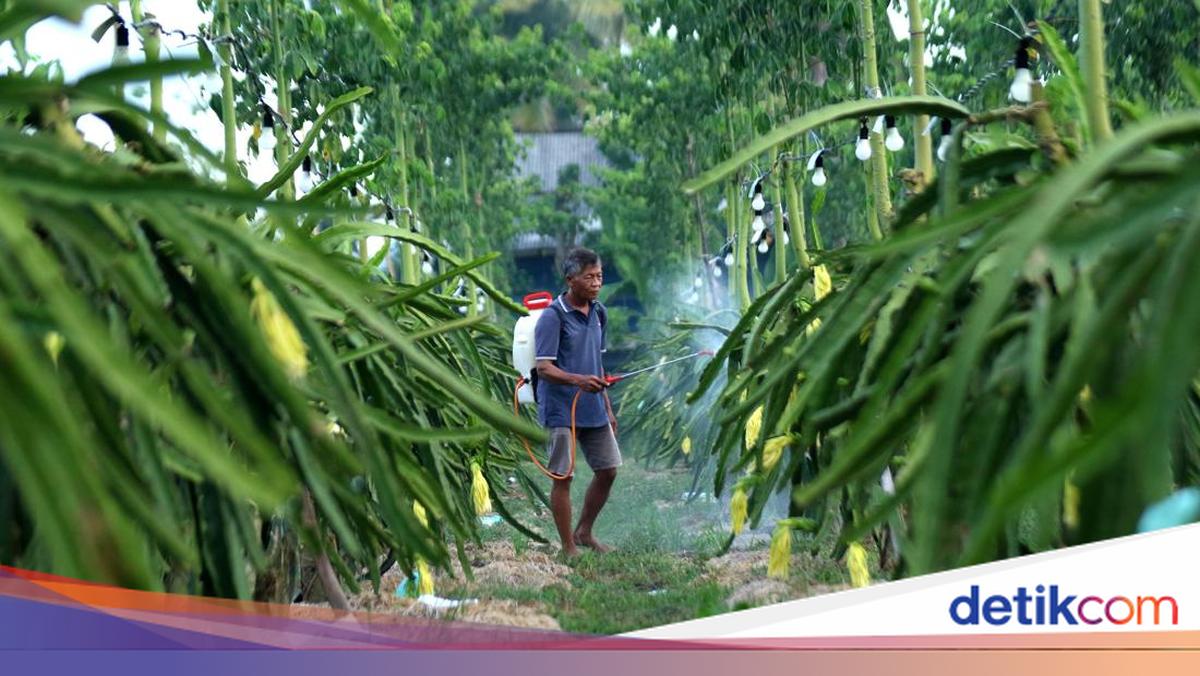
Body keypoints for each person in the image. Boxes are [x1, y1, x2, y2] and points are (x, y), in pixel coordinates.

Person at [534, 247, 620, 558]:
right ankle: (568, 548)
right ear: (570, 280)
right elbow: (544, 368)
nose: (596, 283)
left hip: (593, 407)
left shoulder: (599, 313)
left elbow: (598, 363)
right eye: (589, 277)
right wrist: (578, 380)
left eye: (599, 276)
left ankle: (583, 532)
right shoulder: (552, 317)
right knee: (563, 477)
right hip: (560, 410)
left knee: (608, 470)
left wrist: (608, 409)